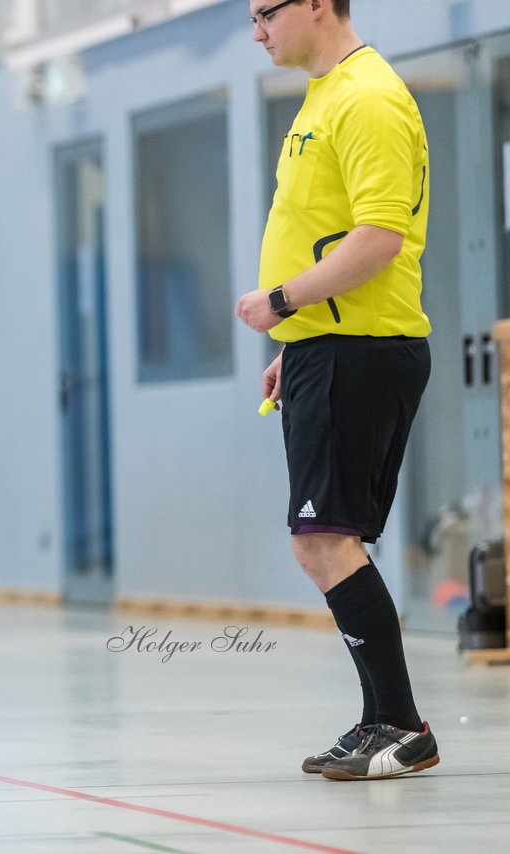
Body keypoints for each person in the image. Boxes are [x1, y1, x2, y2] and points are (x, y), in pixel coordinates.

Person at [236, 0, 438, 780]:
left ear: (318, 3)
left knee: (321, 541)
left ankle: (400, 723)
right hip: (329, 345)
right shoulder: (325, 95)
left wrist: (283, 302)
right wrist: (295, 344)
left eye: (265, 13)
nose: (258, 31)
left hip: (360, 346)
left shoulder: (369, 97)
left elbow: (379, 238)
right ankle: (380, 718)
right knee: (329, 539)